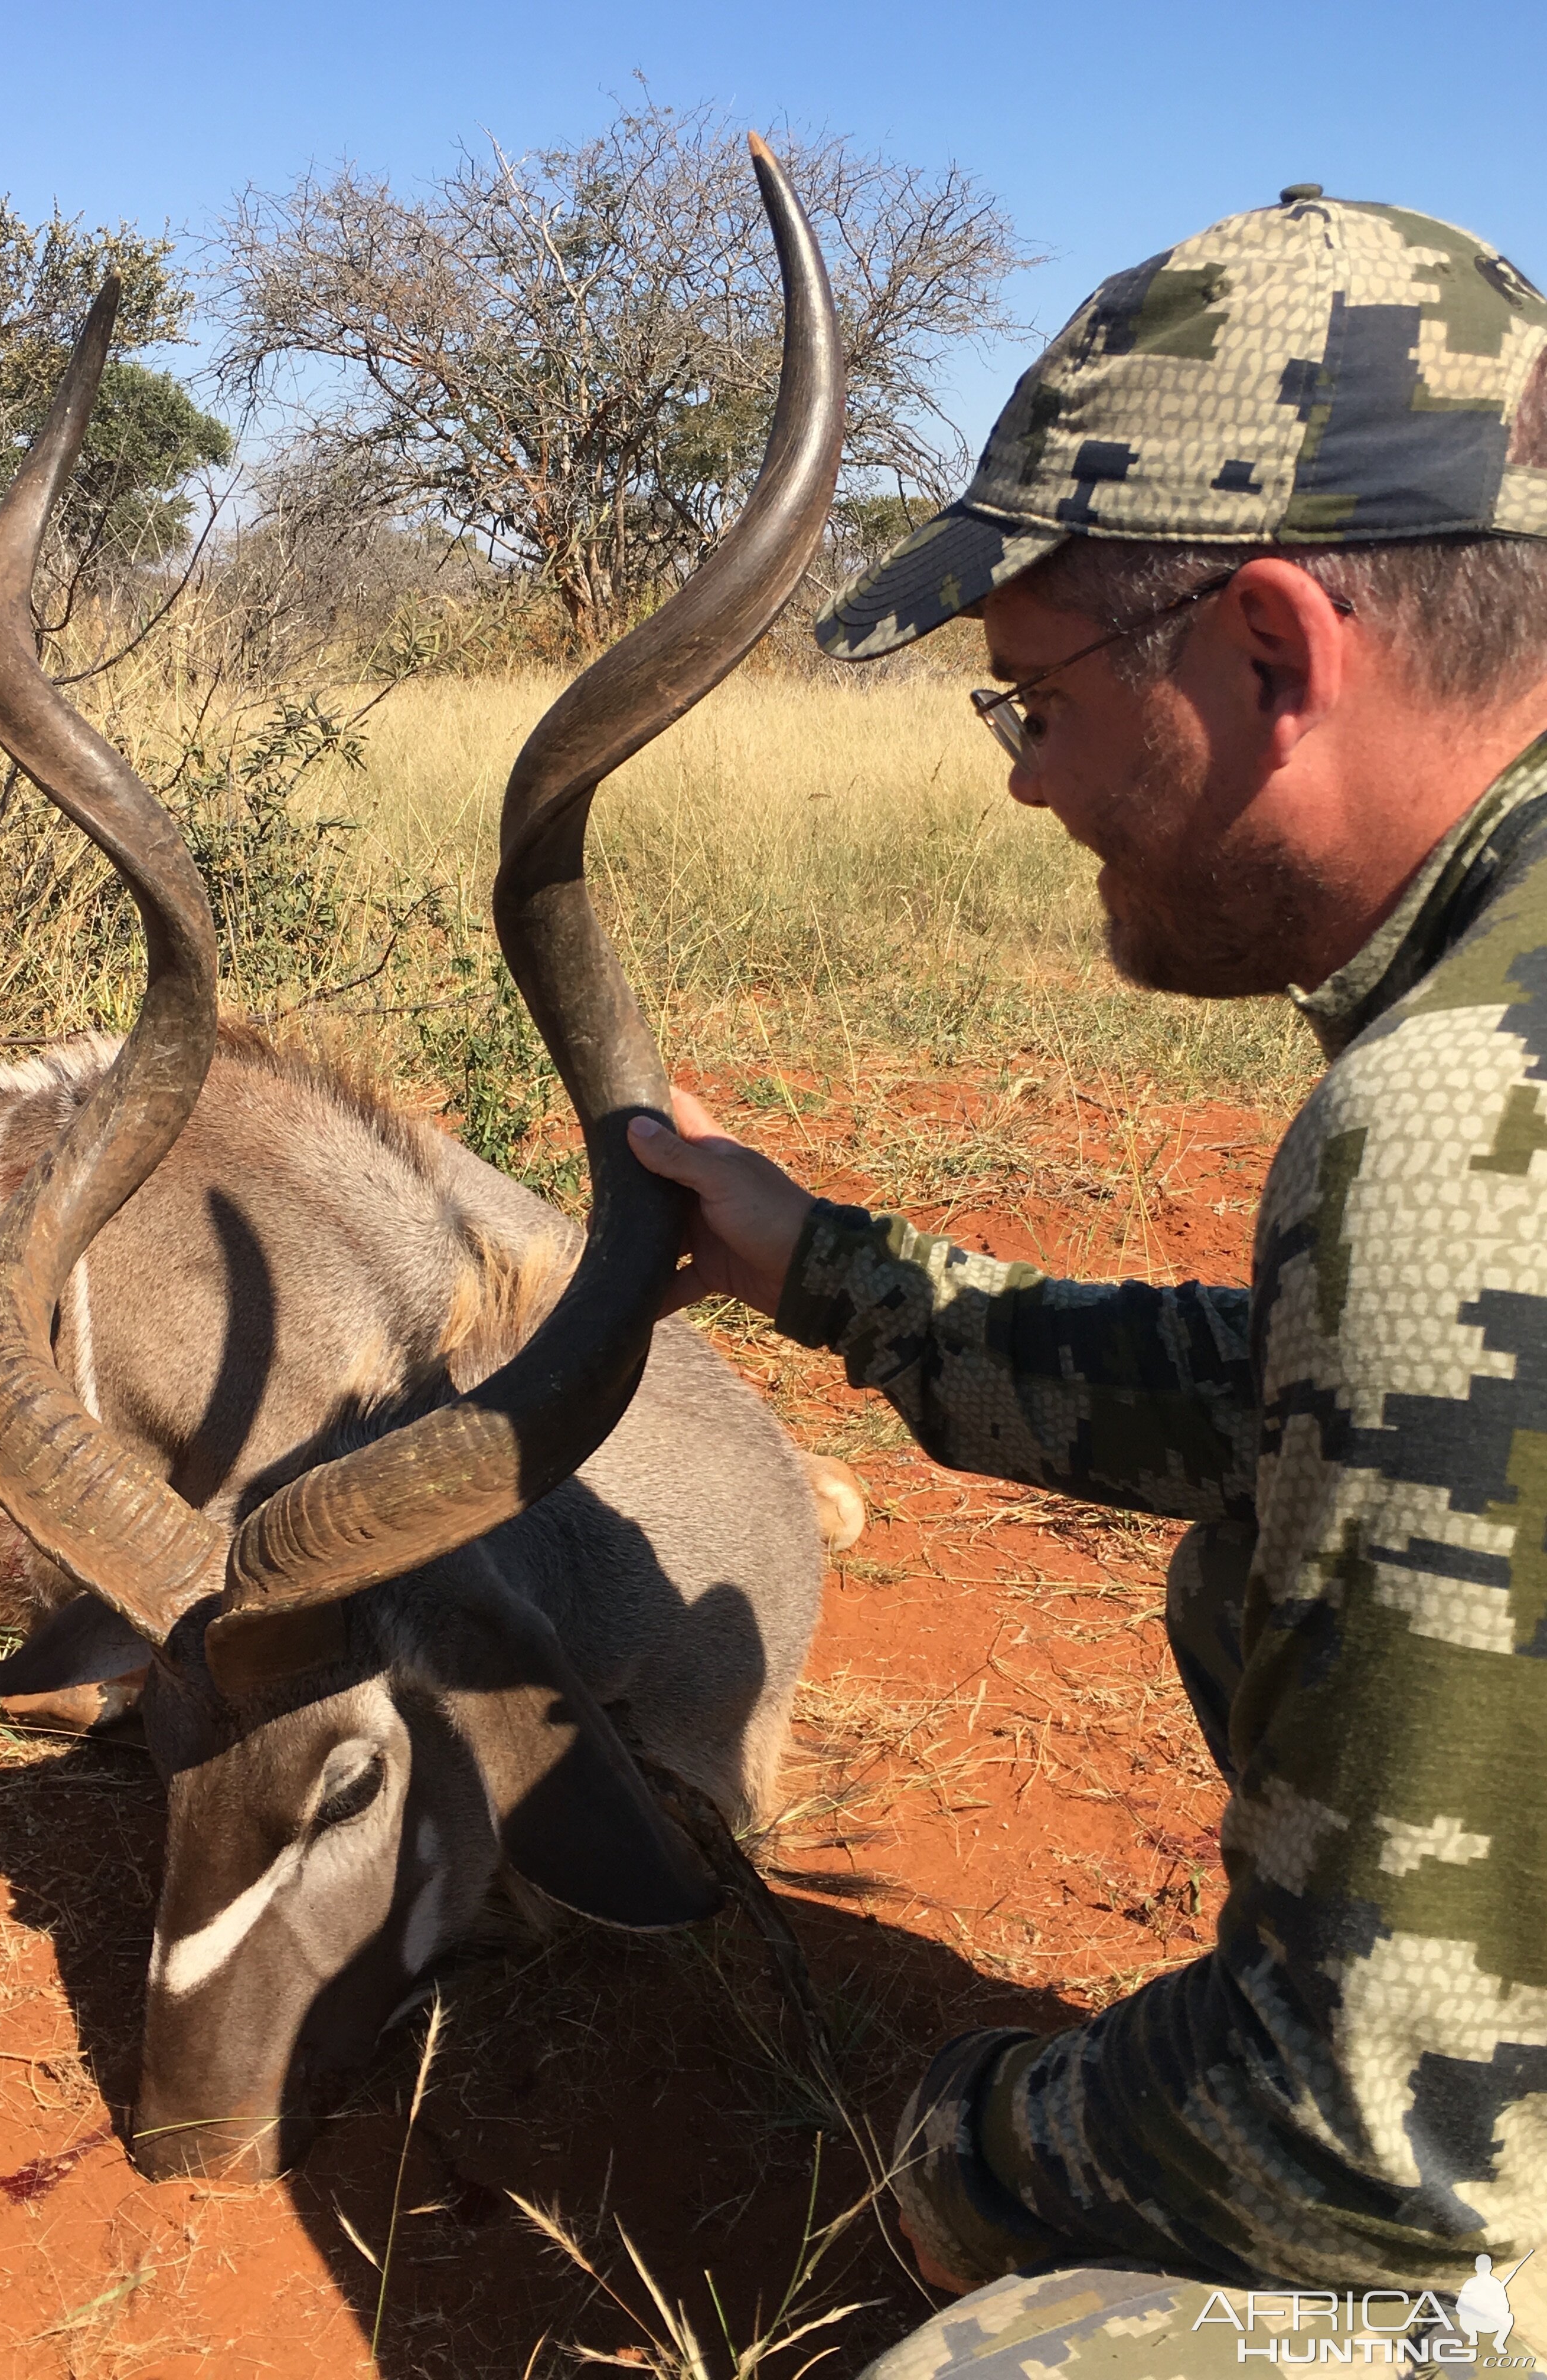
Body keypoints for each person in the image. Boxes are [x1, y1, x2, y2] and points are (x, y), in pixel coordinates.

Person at [628, 186, 1547, 2375]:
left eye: (1027, 702)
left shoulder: (1456, 1116)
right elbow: (1324, 1408)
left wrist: (974, 2145)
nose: (1030, 786)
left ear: (1274, 651)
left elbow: (1363, 2151)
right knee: (1264, 1558)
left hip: (1415, 2137)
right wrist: (828, 1269)